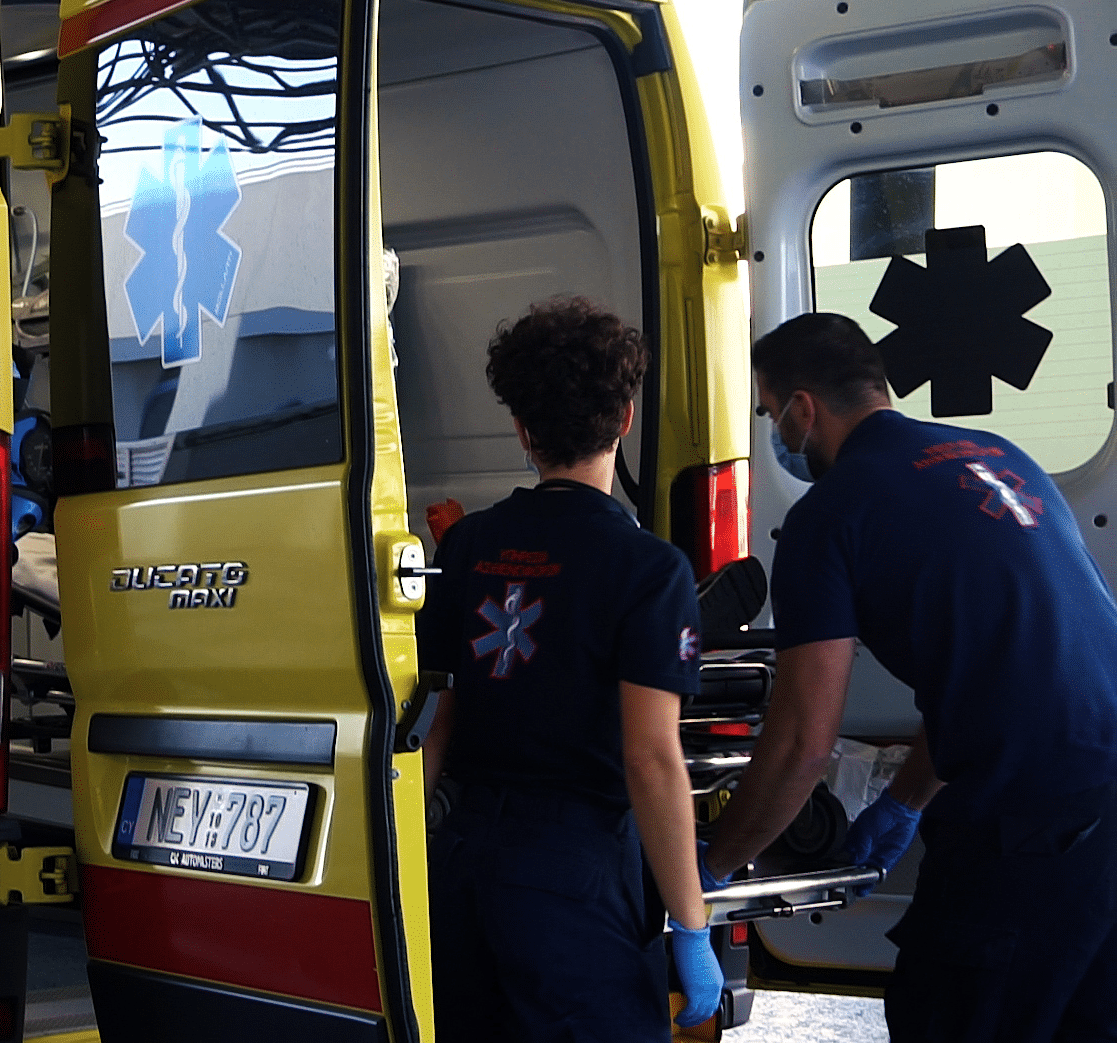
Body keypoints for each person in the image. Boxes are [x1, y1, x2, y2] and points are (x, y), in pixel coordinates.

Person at [701, 312, 1117, 1041]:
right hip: (1100, 801)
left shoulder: (830, 516)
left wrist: (711, 869)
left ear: (802, 408)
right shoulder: (1001, 456)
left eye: (770, 414)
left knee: (947, 1016)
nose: (779, 434)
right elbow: (998, 672)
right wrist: (904, 801)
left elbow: (802, 742)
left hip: (1030, 820)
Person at [418, 297, 721, 1041]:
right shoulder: (649, 569)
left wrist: (406, 855)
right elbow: (651, 758)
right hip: (577, 878)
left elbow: (435, 721)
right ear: (625, 420)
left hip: (461, 866)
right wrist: (691, 926)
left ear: (523, 430)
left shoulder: (468, 545)